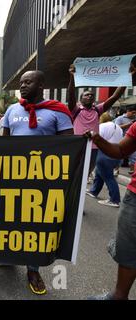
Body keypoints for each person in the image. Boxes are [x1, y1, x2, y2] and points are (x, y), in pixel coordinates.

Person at [2, 70, 74, 295]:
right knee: (11, 220)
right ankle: (8, 257)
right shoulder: (12, 110)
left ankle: (32, 269)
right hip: (13, 177)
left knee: (35, 225)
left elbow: (69, 146)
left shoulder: (57, 111)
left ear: (41, 84)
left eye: (28, 82)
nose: (22, 86)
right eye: (21, 83)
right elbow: (3, 143)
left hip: (42, 180)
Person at [88, 122, 136, 300]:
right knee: (128, 248)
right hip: (135, 198)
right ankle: (118, 296)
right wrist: (98, 139)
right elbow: (120, 151)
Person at [68, 64, 127, 177]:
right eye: (86, 95)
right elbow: (71, 95)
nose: (90, 96)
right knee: (75, 174)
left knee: (86, 174)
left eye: (91, 95)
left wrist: (126, 78)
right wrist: (72, 76)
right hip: (78, 146)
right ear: (80, 99)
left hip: (94, 147)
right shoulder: (76, 110)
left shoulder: (98, 109)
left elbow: (114, 97)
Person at [86, 113, 123, 207]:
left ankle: (114, 200)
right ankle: (94, 191)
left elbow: (96, 139)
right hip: (116, 153)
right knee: (99, 172)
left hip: (104, 154)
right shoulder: (118, 127)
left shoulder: (102, 126)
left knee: (108, 177)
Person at [115, 104, 136, 174]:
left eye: (135, 113)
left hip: (132, 141)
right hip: (122, 140)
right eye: (133, 112)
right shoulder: (120, 118)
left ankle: (132, 171)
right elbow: (116, 127)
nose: (134, 114)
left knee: (133, 157)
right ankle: (116, 169)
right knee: (119, 156)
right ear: (128, 111)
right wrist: (129, 124)